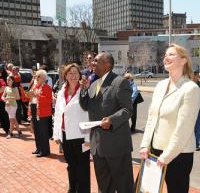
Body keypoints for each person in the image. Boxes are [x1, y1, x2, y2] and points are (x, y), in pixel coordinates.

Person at [139, 44, 200, 193]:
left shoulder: (191, 88)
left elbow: (183, 129)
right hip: (155, 151)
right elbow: (151, 119)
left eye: (172, 54)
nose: (166, 57)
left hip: (178, 155)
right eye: (165, 55)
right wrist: (145, 145)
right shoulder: (160, 86)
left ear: (184, 60)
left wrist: (166, 156)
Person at [79, 52, 134, 192]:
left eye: (96, 61)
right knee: (104, 187)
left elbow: (128, 110)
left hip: (117, 146)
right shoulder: (94, 84)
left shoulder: (120, 82)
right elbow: (86, 106)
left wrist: (111, 119)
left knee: (124, 186)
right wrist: (83, 89)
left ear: (107, 64)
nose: (92, 63)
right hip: (98, 147)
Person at [53, 63, 90, 193]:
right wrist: (56, 134)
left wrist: (88, 138)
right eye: (70, 73)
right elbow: (58, 113)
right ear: (65, 75)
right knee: (71, 165)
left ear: (80, 75)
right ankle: (72, 189)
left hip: (81, 136)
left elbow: (88, 115)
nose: (73, 75)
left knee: (83, 168)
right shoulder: (62, 91)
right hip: (66, 134)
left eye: (75, 72)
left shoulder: (84, 91)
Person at [28, 69, 52, 157]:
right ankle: (39, 148)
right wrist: (29, 95)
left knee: (43, 132)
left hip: (43, 111)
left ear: (43, 77)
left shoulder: (47, 87)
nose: (36, 77)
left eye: (38, 76)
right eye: (36, 76)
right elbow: (31, 97)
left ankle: (45, 150)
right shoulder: (35, 86)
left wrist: (37, 96)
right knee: (37, 130)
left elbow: (49, 100)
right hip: (34, 109)